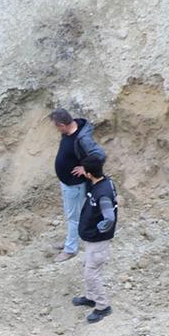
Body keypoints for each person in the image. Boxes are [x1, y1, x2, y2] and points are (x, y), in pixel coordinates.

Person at [50, 108, 106, 263]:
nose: (56, 130)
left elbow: (100, 155)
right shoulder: (69, 132)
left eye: (57, 126)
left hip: (74, 185)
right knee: (72, 216)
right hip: (67, 183)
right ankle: (71, 240)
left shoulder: (82, 139)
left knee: (74, 218)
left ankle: (70, 249)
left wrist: (85, 168)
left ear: (63, 124)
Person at [70, 156, 117, 323]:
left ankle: (103, 307)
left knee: (91, 274)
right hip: (92, 240)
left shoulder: (102, 193)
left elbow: (109, 216)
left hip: (98, 242)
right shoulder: (103, 182)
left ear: (89, 174)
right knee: (87, 268)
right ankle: (90, 297)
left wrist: (101, 229)